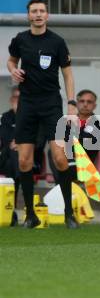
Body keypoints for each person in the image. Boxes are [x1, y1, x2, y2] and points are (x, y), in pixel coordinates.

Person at [7, 0, 78, 229]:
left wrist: (71, 102)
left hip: (51, 104)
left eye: (41, 11)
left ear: (47, 15)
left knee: (59, 157)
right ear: (29, 16)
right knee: (25, 160)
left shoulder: (57, 42)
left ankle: (69, 213)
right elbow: (11, 61)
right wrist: (13, 71)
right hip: (27, 103)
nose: (38, 14)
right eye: (34, 11)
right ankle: (30, 215)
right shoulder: (20, 40)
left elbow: (67, 74)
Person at [0, 87, 46, 226]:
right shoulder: (5, 118)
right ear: (11, 100)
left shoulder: (38, 119)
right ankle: (21, 176)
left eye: (22, 98)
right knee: (14, 156)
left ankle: (11, 212)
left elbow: (40, 142)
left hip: (32, 160)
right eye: (16, 98)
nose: (19, 101)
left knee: (17, 157)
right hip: (6, 158)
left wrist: (22, 144)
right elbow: (5, 141)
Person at [49, 89, 100, 184]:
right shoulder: (67, 121)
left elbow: (92, 145)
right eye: (82, 101)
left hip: (85, 165)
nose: (85, 104)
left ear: (94, 105)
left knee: (63, 155)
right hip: (67, 161)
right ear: (77, 103)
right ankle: (64, 184)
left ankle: (62, 185)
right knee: (53, 150)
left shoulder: (99, 123)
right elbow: (58, 141)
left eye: (89, 102)